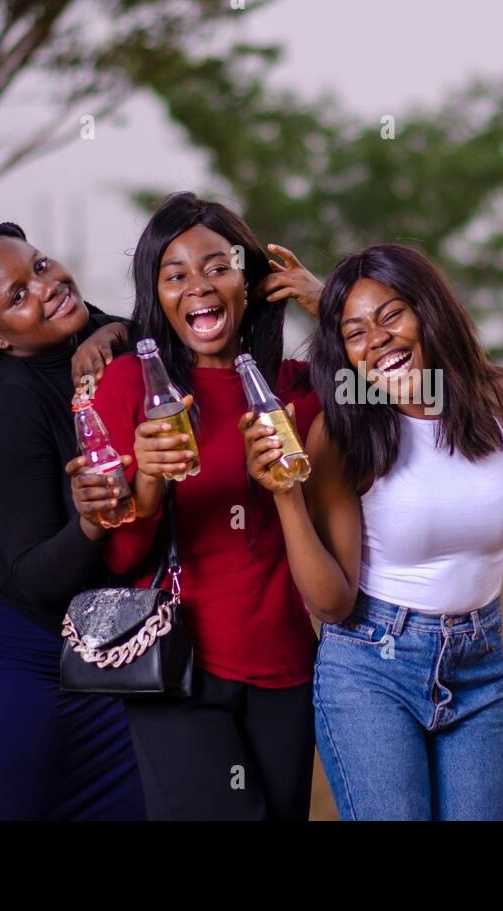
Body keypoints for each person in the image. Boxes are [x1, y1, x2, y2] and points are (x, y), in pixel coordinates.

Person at [243, 243, 503, 820]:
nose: (375, 341)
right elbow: (331, 602)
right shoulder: (342, 434)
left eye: (393, 316)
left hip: (480, 668)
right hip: (370, 669)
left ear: (430, 312)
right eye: (354, 334)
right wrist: (286, 497)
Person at [86, 192, 327, 819]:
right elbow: (118, 556)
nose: (200, 287)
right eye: (176, 275)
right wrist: (147, 485)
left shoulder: (299, 390)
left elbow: (412, 388)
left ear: (251, 281)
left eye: (218, 267)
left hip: (287, 671)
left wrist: (325, 301)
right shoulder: (128, 388)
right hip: (178, 670)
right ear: (158, 296)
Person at [0, 222, 145, 820]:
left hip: (100, 647)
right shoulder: (6, 409)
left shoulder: (101, 338)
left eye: (40, 266)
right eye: (17, 297)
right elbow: (32, 579)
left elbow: (170, 336)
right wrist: (92, 523)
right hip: (12, 658)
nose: (47, 288)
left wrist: (117, 331)